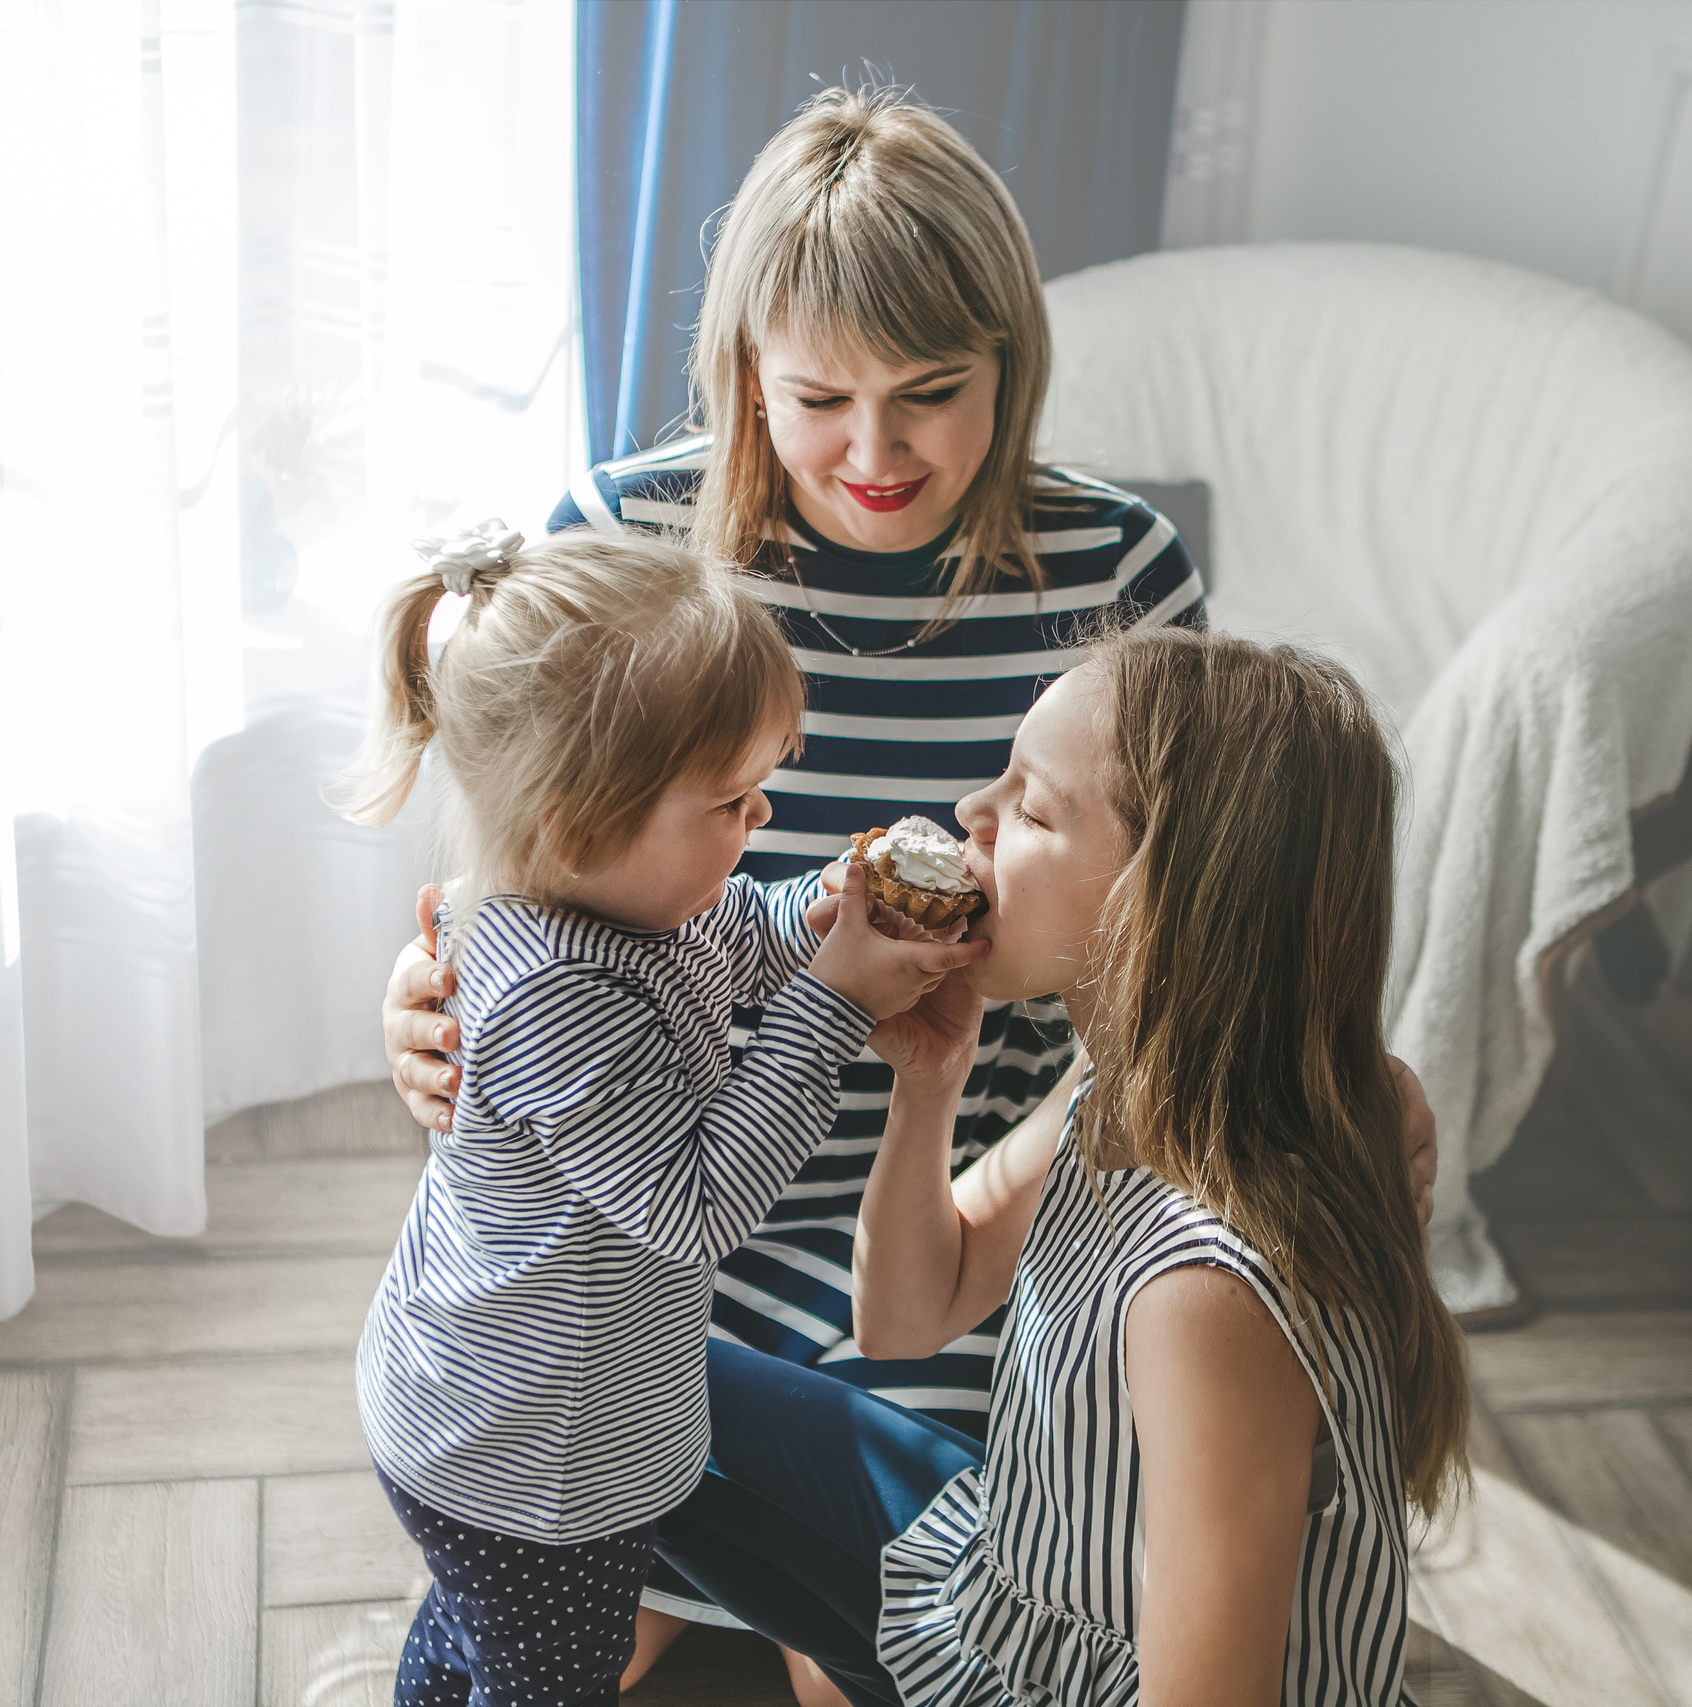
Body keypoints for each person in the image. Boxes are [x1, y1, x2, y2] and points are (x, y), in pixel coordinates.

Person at [379, 83, 1212, 1696]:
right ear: (745, 368)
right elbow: (508, 878)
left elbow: (1170, 934)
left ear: (1012, 369)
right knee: (589, 1615)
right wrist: (421, 1003)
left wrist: (1024, 1134)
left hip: (970, 1167)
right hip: (660, 1195)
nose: (875, 454)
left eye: (933, 394)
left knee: (902, 1637)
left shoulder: (1121, 574)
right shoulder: (629, 535)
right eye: (819, 396)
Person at [650, 625, 1469, 1707]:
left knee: (595, 1380)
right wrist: (930, 1078)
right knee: (608, 1358)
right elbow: (902, 1317)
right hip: (999, 1586)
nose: (969, 819)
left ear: (1163, 904)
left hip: (1049, 1682)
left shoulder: (1207, 1292)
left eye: (1031, 811)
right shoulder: (1125, 1092)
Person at [342, 526, 982, 1707]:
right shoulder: (549, 995)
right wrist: (836, 998)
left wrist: (825, 909)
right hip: (526, 1453)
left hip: (507, 1404)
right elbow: (699, 1207)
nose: (762, 816)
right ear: (580, 823)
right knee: (556, 1675)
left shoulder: (629, 905)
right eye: (732, 801)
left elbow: (736, 937)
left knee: (476, 1630)